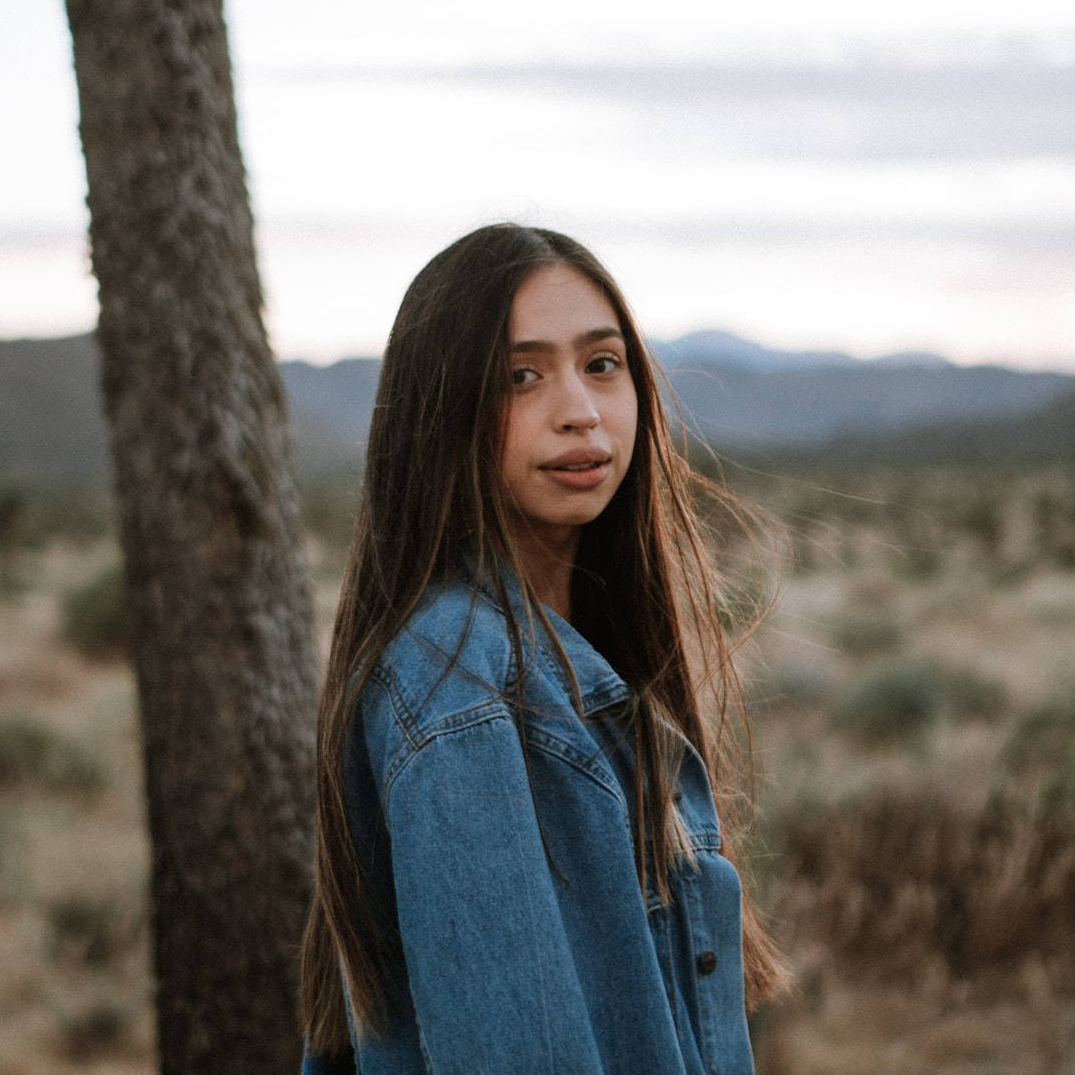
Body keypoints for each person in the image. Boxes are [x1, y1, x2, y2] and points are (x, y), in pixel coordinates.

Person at [298, 224, 787, 1073]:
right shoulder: (458, 682)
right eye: (521, 377)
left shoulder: (578, 648)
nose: (579, 411)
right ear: (439, 413)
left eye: (602, 365)